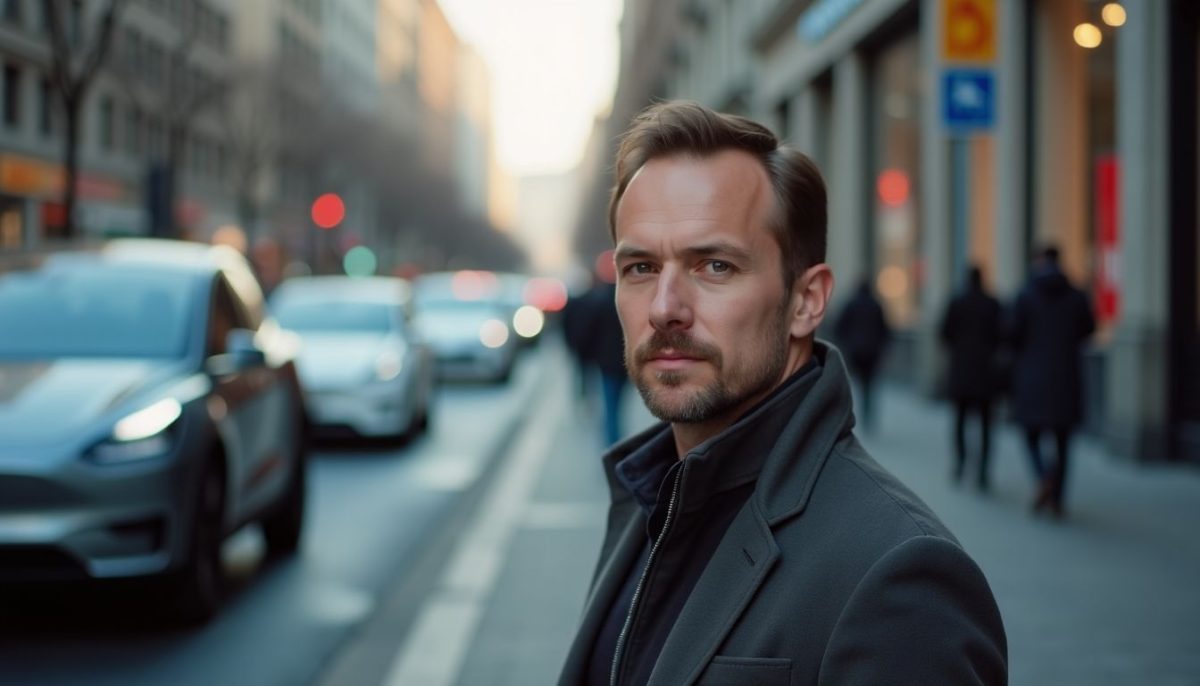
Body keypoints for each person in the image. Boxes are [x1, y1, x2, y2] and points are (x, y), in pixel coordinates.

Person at [557, 101, 1006, 686]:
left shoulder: (898, 576)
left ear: (806, 301)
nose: (665, 308)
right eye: (639, 268)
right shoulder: (647, 500)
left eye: (714, 266)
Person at [1010, 246, 1095, 518]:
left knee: (1030, 433)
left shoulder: (1026, 295)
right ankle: (1057, 497)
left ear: (1038, 262)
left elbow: (1012, 333)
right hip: (1067, 376)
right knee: (1063, 440)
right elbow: (1089, 329)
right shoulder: (1077, 296)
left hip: (1033, 376)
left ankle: (1043, 476)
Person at [940, 265, 1004, 491]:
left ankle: (960, 463)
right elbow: (1002, 335)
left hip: (962, 371)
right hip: (986, 372)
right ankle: (983, 472)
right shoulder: (993, 304)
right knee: (986, 424)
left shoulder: (956, 302)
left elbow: (944, 333)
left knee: (959, 420)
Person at [833, 277, 890, 431]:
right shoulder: (876, 305)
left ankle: (857, 414)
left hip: (856, 351)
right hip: (872, 351)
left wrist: (847, 343)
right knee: (870, 384)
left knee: (857, 382)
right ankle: (868, 415)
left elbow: (839, 326)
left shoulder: (851, 304)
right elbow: (885, 330)